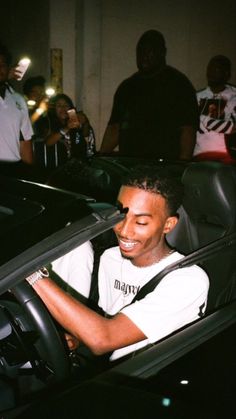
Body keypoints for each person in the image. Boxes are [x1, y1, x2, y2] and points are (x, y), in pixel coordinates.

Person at [25, 165, 209, 366]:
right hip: (112, 369)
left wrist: (30, 273)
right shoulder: (111, 258)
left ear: (168, 225)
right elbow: (106, 324)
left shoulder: (188, 280)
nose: (123, 231)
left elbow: (103, 339)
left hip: (150, 379)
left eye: (141, 222)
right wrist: (79, 337)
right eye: (121, 215)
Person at [100, 30, 199, 161]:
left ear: (162, 52)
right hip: (130, 165)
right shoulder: (127, 87)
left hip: (165, 166)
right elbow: (114, 128)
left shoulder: (179, 84)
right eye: (140, 51)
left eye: (149, 51)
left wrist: (182, 165)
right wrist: (101, 158)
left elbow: (188, 129)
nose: (144, 56)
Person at [193, 55, 236, 163]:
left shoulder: (234, 96)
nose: (210, 72)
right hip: (200, 155)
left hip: (228, 157)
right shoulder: (196, 97)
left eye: (216, 69)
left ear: (226, 73)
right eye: (209, 68)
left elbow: (233, 128)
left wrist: (202, 119)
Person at [34, 93, 96, 168]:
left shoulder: (76, 121)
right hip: (56, 167)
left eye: (66, 105)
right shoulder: (48, 122)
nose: (63, 108)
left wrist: (85, 122)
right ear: (54, 108)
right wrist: (67, 128)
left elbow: (87, 138)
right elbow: (48, 142)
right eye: (59, 106)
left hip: (78, 166)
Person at [0, 43, 34, 176]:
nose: (0, 68)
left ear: (8, 68)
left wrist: (30, 174)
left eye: (3, 64)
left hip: (13, 170)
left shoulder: (18, 99)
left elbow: (25, 141)